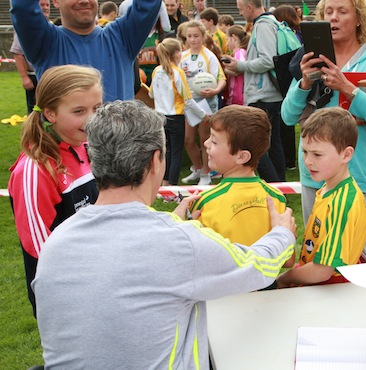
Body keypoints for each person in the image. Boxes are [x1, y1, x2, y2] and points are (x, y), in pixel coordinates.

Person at [32, 100, 296, 369]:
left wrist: (173, 225)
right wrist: (282, 233)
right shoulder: (179, 243)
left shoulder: (57, 242)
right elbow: (256, 266)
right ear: (156, 161)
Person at [281, 0, 366, 262]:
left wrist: (348, 88)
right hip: (314, 176)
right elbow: (287, 117)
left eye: (342, 12)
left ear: (359, 19)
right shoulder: (311, 58)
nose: (333, 18)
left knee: (355, 259)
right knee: (314, 255)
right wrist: (303, 83)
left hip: (356, 176)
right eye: (328, 12)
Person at [8, 65, 102, 317]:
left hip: (97, 279)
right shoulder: (35, 168)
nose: (92, 118)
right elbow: (39, 246)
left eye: (97, 108)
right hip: (64, 293)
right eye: (79, 111)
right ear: (49, 113)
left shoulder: (86, 146)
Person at [276, 107, 366, 288]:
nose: (308, 161)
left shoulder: (343, 203)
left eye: (317, 154)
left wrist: (286, 277)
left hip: (330, 290)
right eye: (305, 152)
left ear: (346, 154)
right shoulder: (329, 188)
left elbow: (323, 269)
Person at [11, 0, 161, 102]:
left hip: (119, 147)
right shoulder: (46, 42)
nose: (83, 0)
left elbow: (148, 4)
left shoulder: (122, 37)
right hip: (64, 148)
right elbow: (23, 8)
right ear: (55, 1)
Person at [190, 105, 289, 249]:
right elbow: (288, 258)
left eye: (214, 141)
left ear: (242, 156)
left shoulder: (205, 201)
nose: (206, 143)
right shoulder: (277, 197)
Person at [224, 0, 291, 183]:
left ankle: (274, 185)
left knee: (255, 146)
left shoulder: (262, 25)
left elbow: (267, 60)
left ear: (249, 8)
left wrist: (240, 65)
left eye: (240, 9)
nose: (240, 13)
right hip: (271, 94)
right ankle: (280, 186)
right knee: (273, 143)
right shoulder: (271, 22)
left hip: (263, 95)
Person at [150, 38, 208, 186]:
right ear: (176, 54)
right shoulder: (177, 72)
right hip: (175, 116)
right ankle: (173, 184)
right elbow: (188, 99)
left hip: (159, 116)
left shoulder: (157, 70)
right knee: (176, 152)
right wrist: (203, 115)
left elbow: (151, 94)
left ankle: (164, 181)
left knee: (166, 151)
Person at [177, 21, 226, 185]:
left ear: (203, 36)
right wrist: (179, 74)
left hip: (206, 102)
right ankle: (197, 168)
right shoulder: (182, 56)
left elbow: (221, 78)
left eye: (196, 36)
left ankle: (206, 174)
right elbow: (175, 77)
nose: (192, 39)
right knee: (188, 140)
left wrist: (215, 91)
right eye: (189, 36)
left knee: (205, 138)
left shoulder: (209, 56)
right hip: (189, 102)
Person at [273, 4, 302, 170]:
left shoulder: (290, 34)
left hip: (288, 78)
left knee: (286, 123)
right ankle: (290, 159)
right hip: (292, 79)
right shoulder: (297, 33)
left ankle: (289, 160)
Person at [10, 0, 50, 115]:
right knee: (35, 111)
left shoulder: (51, 26)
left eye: (47, 5)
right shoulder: (26, 29)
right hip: (34, 76)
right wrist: (24, 77)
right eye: (42, 5)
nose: (45, 8)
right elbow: (18, 53)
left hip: (50, 76)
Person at [225, 25, 249, 106]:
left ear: (233, 38)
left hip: (238, 95)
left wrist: (224, 69)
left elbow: (238, 70)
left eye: (227, 39)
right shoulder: (243, 51)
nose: (226, 43)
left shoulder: (239, 52)